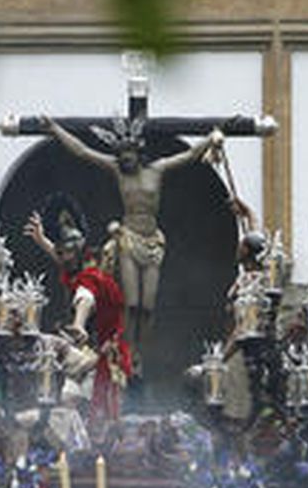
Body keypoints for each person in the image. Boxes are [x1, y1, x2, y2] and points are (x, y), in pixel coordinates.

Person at [40, 117, 223, 342]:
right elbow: (83, 151)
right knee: (132, 303)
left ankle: (139, 356)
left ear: (138, 152)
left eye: (129, 153)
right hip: (128, 238)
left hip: (153, 241)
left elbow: (190, 155)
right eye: (121, 154)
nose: (125, 158)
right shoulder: (117, 171)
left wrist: (213, 135)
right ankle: (125, 350)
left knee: (147, 306)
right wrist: (55, 129)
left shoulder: (157, 169)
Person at [24, 207, 133, 422]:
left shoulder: (91, 279)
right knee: (67, 402)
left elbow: (86, 298)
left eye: (67, 252)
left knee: (87, 410)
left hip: (103, 359)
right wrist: (41, 239)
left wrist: (79, 324)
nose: (62, 257)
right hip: (87, 357)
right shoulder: (78, 273)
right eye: (61, 252)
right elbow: (61, 258)